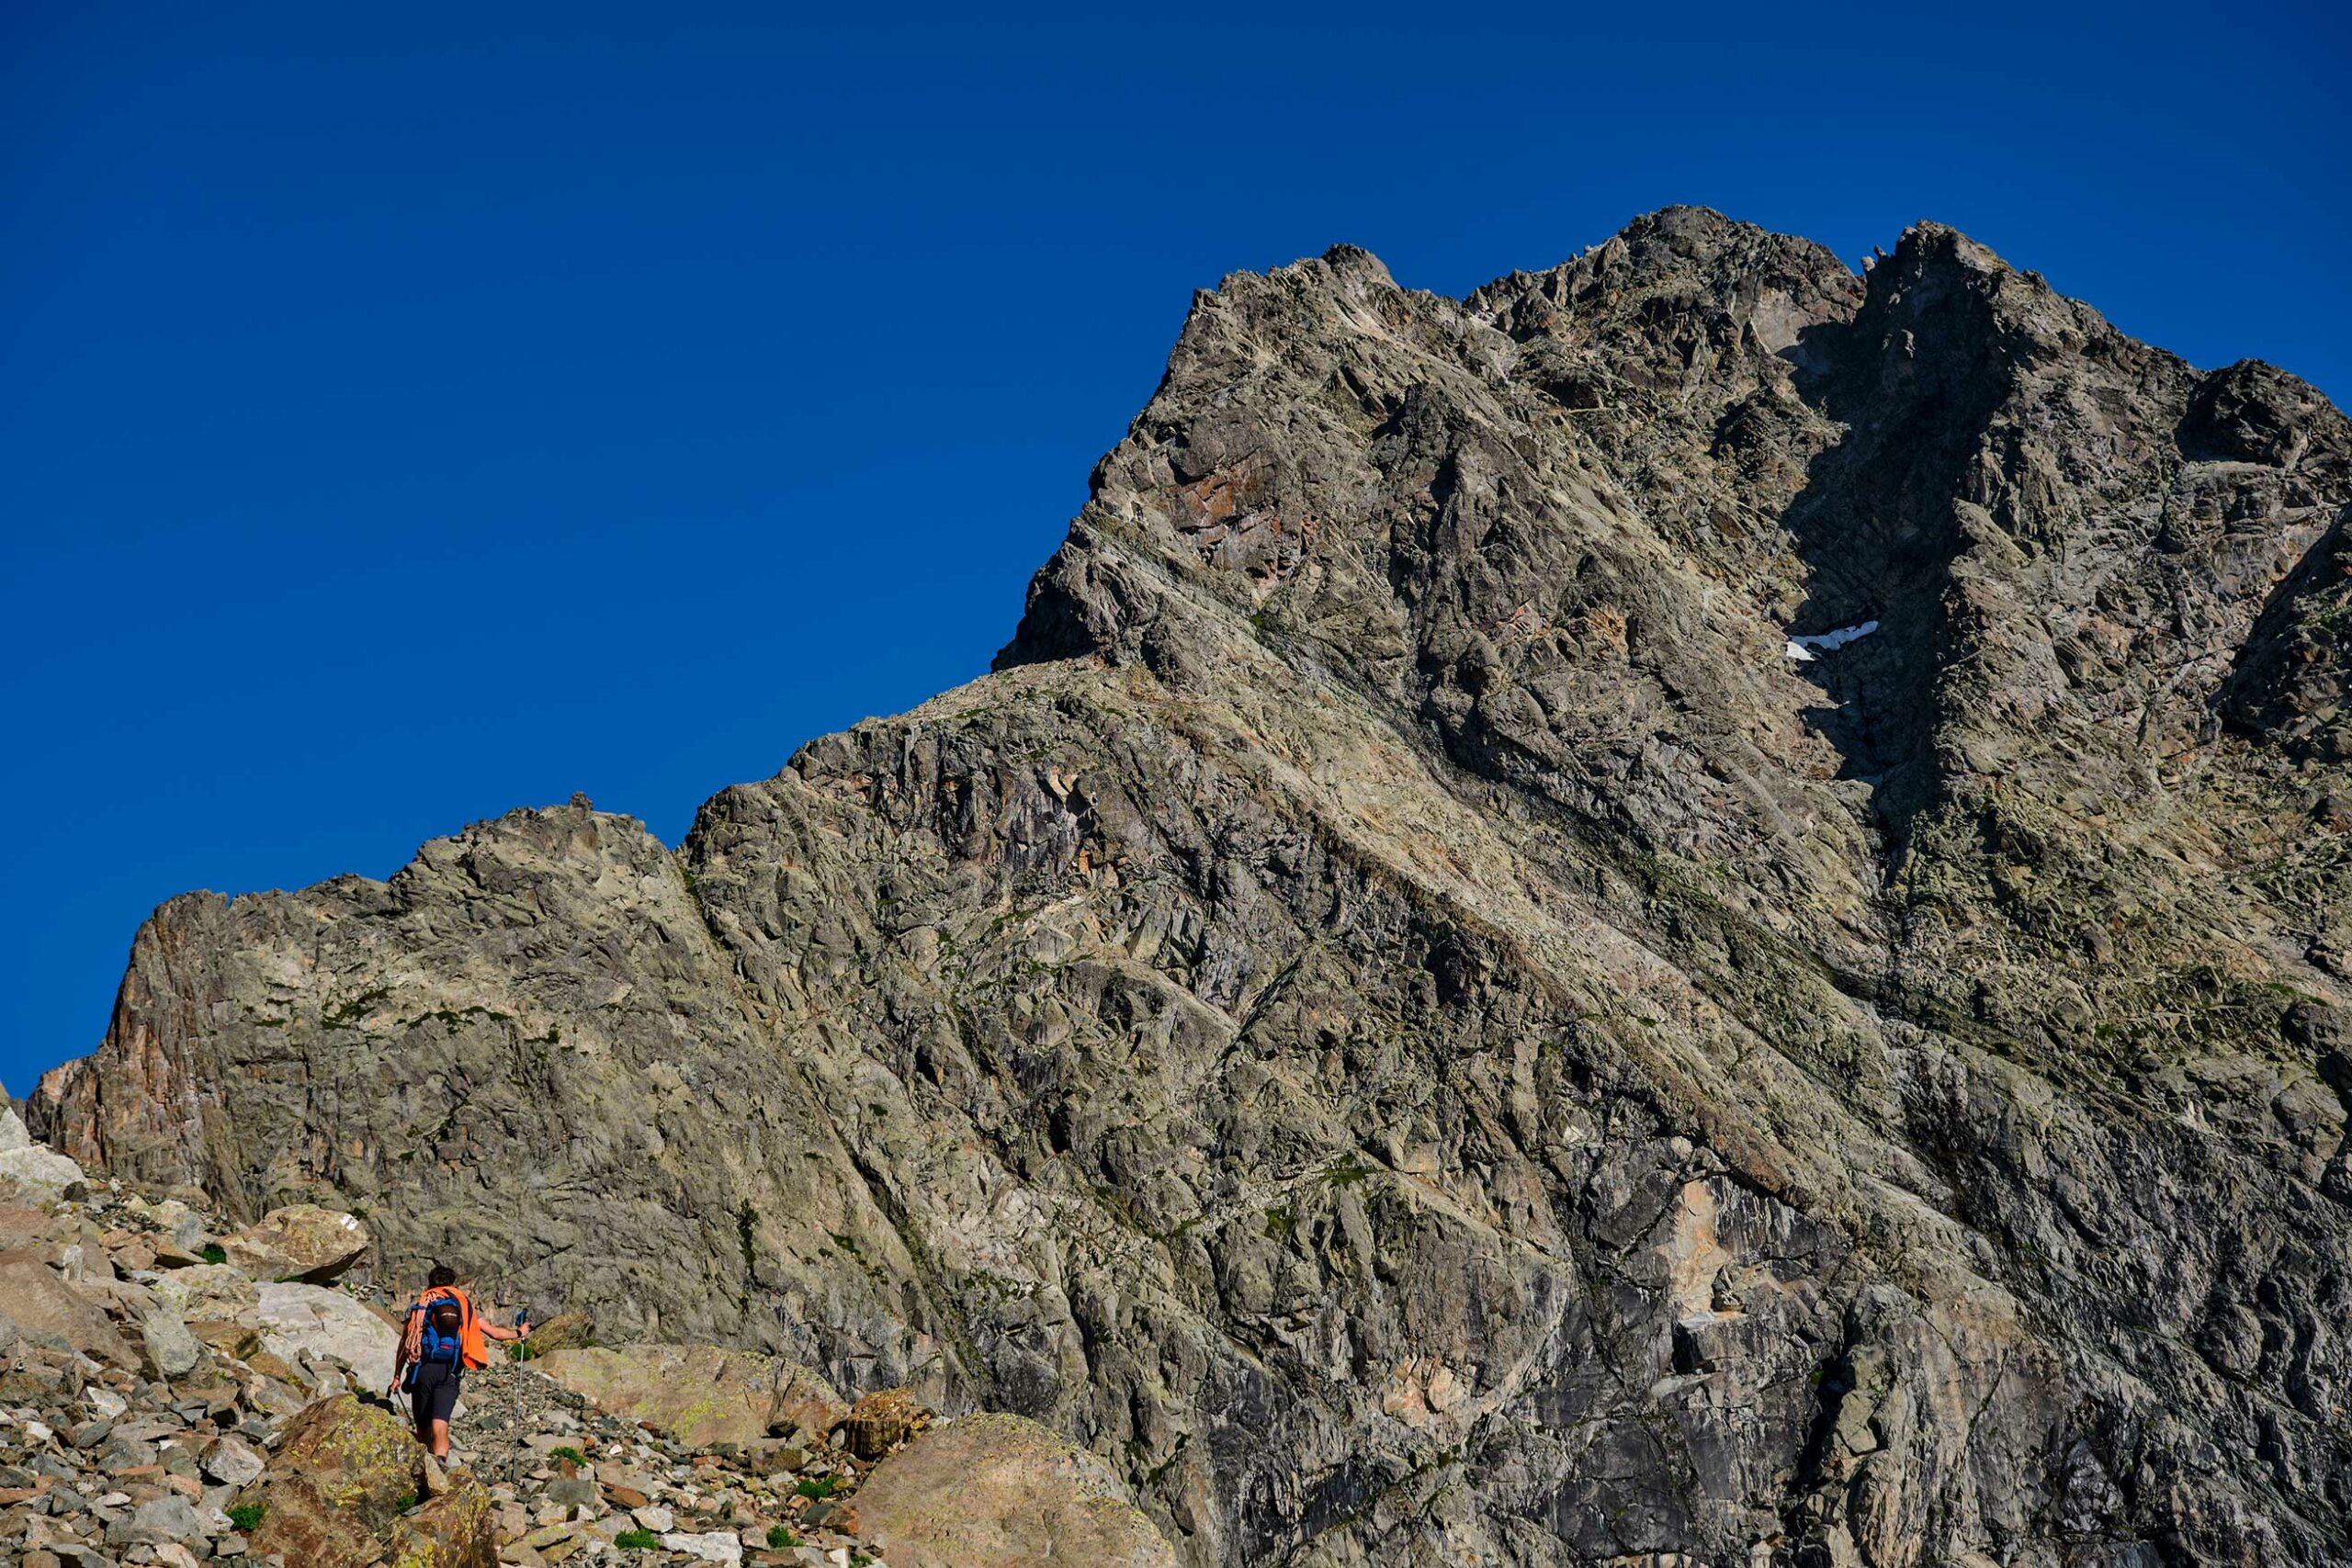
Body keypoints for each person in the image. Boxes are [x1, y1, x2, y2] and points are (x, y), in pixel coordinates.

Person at [387, 1263, 530, 1459]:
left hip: (423, 1370)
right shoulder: (464, 1306)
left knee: (422, 1428)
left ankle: (424, 1470)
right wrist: (520, 1332)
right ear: (452, 1283)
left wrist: (396, 1376)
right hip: (450, 1371)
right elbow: (495, 1334)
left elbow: (406, 1343)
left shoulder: (422, 1305)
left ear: (431, 1283)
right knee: (440, 1424)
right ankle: (441, 1465)